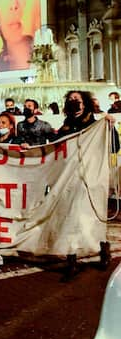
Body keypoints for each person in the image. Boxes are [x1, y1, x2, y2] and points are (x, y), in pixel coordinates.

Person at [55, 90, 119, 279]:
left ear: (86, 103)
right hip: (72, 178)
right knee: (72, 216)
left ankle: (102, 246)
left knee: (93, 215)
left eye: (78, 99)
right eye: (71, 100)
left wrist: (110, 127)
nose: (74, 103)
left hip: (93, 177)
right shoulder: (67, 126)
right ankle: (72, 258)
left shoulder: (97, 123)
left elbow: (115, 146)